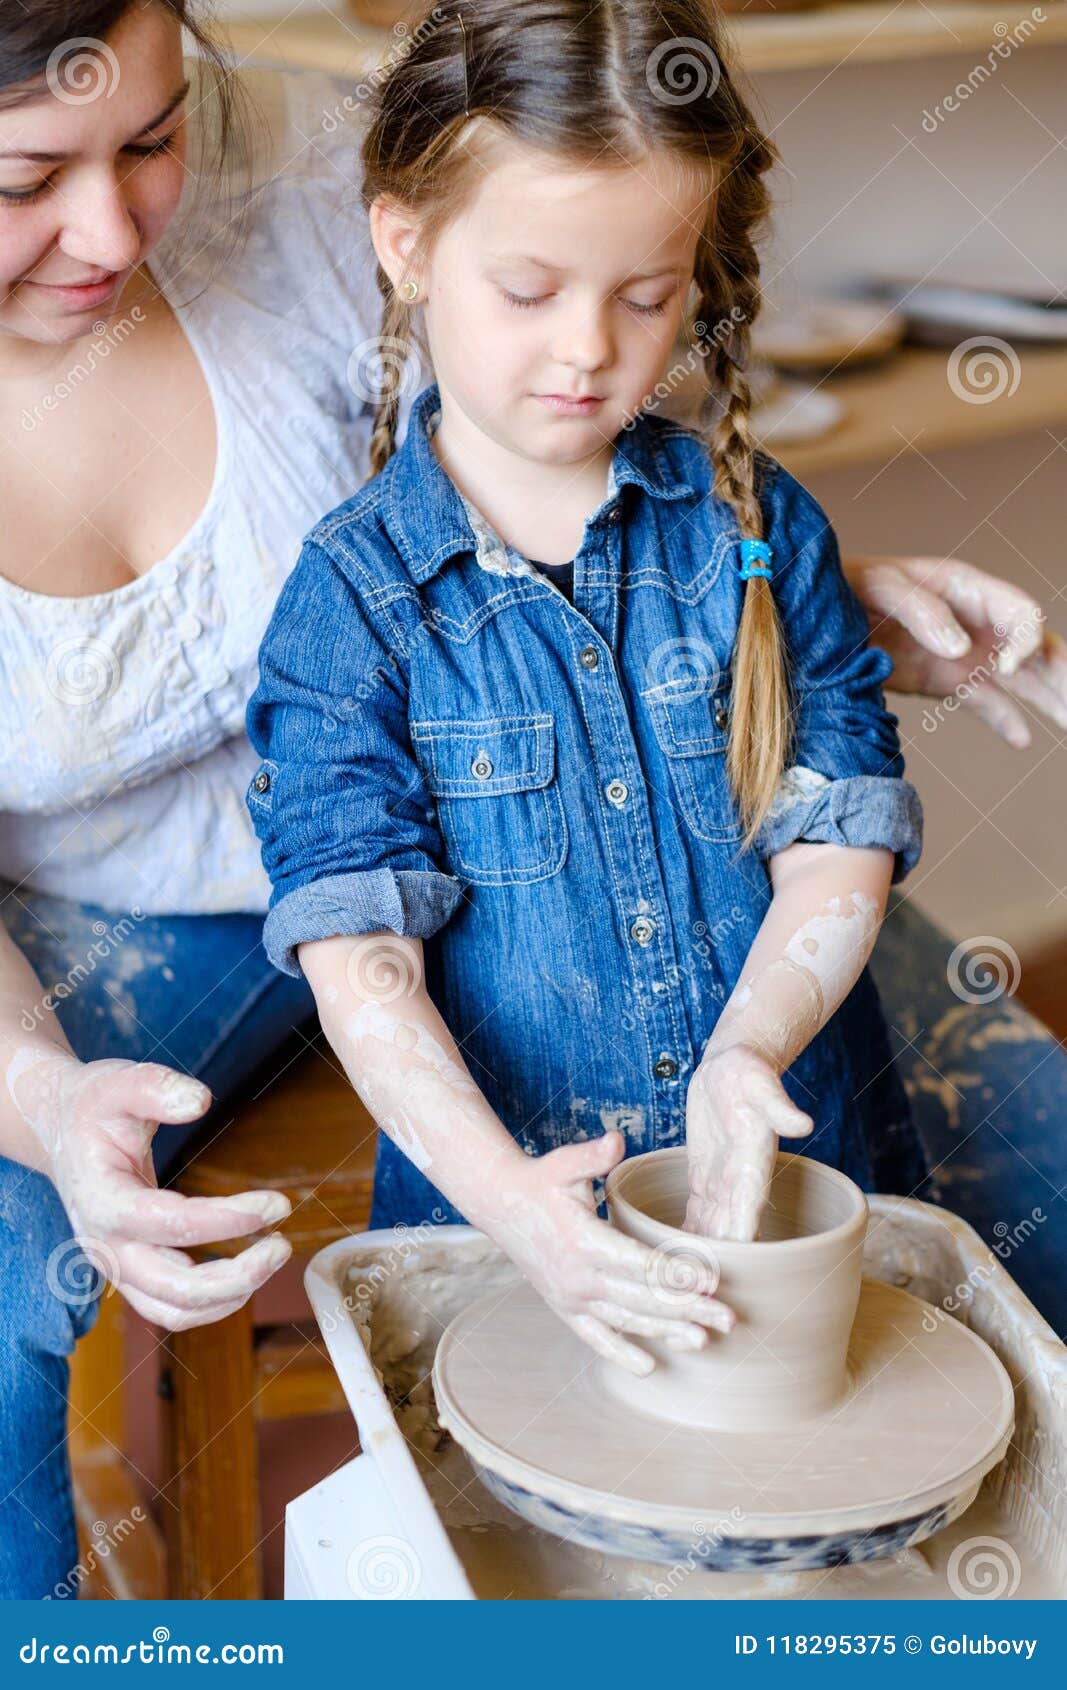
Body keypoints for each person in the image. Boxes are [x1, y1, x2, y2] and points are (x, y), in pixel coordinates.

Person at [1, 0, 1063, 1603]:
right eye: (26, 177)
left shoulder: (360, 162)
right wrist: (44, 1096)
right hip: (135, 919)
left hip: (670, 884)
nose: (109, 221)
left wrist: (809, 615)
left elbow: (633, 462)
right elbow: (359, 938)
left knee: (1023, 1187)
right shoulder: (355, 600)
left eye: (151, 139)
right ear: (413, 251)